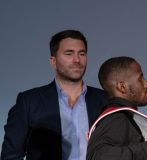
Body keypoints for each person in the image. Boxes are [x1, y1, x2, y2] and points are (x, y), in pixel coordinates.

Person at [1, 30, 108, 160]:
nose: (77, 60)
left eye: (82, 53)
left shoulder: (105, 99)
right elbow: (11, 155)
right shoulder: (28, 101)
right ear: (53, 61)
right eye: (69, 53)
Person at [86, 56, 147, 160]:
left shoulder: (123, 118)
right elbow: (99, 157)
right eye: (140, 78)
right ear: (122, 87)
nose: (146, 84)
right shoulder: (117, 118)